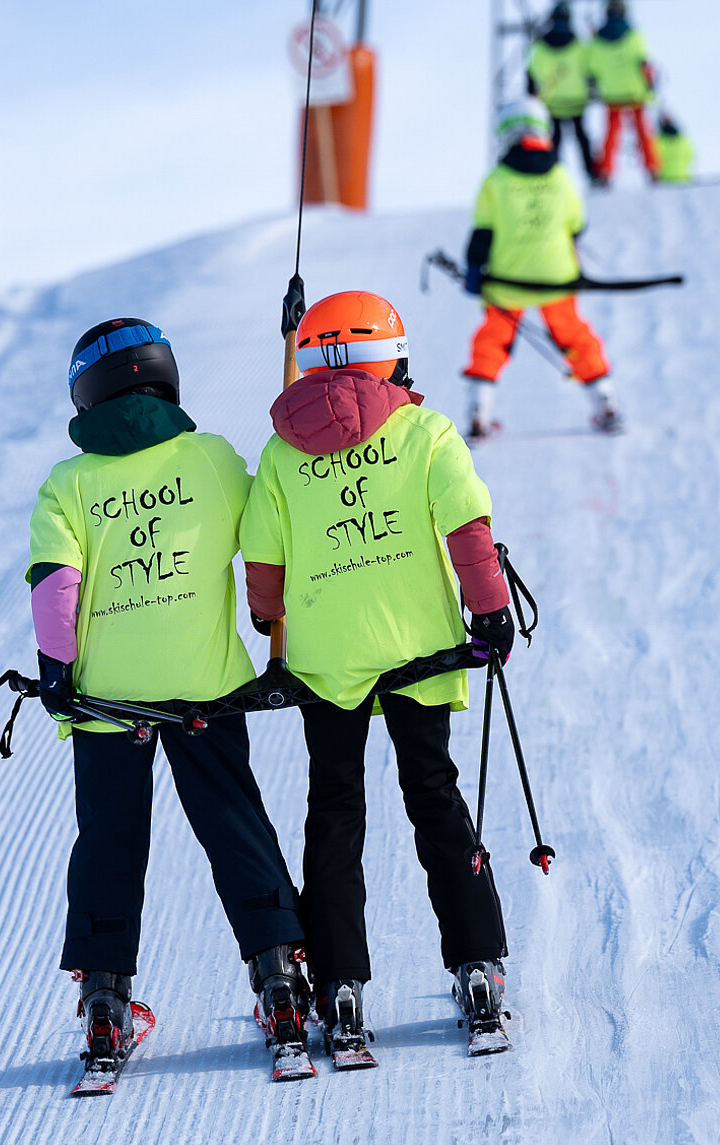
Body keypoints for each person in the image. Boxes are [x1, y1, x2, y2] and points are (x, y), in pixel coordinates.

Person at [27, 318, 310, 1072]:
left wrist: (58, 673)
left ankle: (105, 1001)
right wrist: (267, 617)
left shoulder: (68, 482)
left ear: (86, 395)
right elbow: (270, 536)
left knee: (110, 838)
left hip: (108, 701)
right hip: (204, 692)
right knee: (233, 823)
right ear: (167, 377)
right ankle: (279, 974)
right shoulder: (212, 457)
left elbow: (56, 583)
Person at [240, 291, 515, 1055]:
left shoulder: (281, 450)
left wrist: (270, 619)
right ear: (384, 356)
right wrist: (489, 611)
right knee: (433, 793)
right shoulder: (424, 431)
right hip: (418, 648)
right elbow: (467, 527)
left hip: (329, 664)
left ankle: (340, 984)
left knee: (335, 812)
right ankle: (478, 964)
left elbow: (263, 556)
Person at [461, 96, 619, 437]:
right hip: (556, 278)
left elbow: (482, 235)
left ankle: (479, 410)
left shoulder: (495, 181)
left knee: (493, 340)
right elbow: (578, 226)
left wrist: (474, 270)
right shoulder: (561, 178)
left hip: (508, 280)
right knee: (575, 336)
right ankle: (605, 402)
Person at [588, 0, 661, 184]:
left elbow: (593, 70)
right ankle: (652, 168)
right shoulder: (634, 36)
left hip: (612, 94)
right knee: (643, 132)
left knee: (611, 134)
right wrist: (650, 84)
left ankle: (605, 171)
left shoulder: (597, 41)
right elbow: (644, 64)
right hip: (635, 91)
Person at [526, 2, 598, 183]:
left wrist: (532, 95)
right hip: (576, 101)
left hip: (552, 102)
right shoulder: (580, 45)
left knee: (554, 142)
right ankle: (592, 173)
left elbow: (532, 74)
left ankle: (553, 175)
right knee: (582, 138)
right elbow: (591, 71)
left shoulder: (540, 47)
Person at [655, 111, 695, 184]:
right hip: (683, 179)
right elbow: (691, 156)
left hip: (665, 180)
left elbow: (654, 160)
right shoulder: (683, 140)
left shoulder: (657, 141)